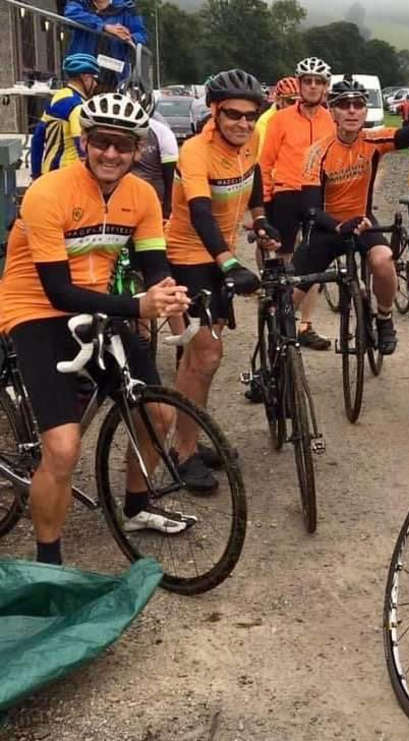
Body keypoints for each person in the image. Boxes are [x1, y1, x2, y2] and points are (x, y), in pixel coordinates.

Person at [0, 93, 192, 565]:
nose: (111, 154)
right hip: (35, 309)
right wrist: (135, 306)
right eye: (101, 142)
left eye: (122, 145)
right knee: (63, 449)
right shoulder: (48, 192)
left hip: (100, 308)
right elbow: (57, 291)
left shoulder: (142, 195)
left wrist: (174, 300)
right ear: (84, 142)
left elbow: (153, 266)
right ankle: (49, 563)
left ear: (137, 150)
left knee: (158, 414)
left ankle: (136, 505)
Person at [167, 69, 275, 490]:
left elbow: (256, 179)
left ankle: (188, 438)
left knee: (201, 359)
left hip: (218, 257)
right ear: (214, 111)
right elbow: (199, 213)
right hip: (187, 256)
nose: (244, 124)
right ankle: (182, 450)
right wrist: (230, 263)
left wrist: (261, 221)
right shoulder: (194, 151)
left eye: (252, 116)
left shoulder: (251, 141)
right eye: (233, 115)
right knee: (206, 355)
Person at [290, 76, 409, 355]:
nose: (351, 111)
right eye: (343, 105)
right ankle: (273, 358)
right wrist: (338, 226)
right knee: (289, 297)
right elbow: (309, 209)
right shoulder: (318, 152)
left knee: (383, 260)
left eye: (358, 105)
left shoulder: (373, 140)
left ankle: (384, 319)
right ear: (332, 111)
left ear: (365, 111)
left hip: (362, 221)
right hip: (327, 226)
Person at [259, 57, 336, 351]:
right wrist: (263, 207)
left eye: (318, 82)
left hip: (318, 195)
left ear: (325, 87)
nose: (313, 86)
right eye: (308, 81)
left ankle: (305, 325)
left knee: (314, 262)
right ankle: (281, 315)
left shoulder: (332, 119)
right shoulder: (280, 119)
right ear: (300, 84)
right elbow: (265, 163)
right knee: (286, 260)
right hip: (287, 192)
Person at [30, 53, 100, 179]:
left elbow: (37, 140)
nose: (95, 84)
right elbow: (83, 149)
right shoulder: (77, 107)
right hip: (70, 177)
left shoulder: (57, 97)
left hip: (49, 174)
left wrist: (36, 174)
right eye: (93, 78)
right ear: (84, 77)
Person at [64, 0, 147, 85]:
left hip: (114, 73)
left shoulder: (127, 8)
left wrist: (129, 37)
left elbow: (141, 35)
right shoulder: (79, 3)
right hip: (82, 68)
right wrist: (104, 26)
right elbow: (70, 13)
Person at [130, 87, 179, 220]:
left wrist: (167, 209)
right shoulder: (115, 132)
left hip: (155, 201)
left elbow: (171, 179)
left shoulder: (162, 132)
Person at [255, 77, 300, 154]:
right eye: (291, 101)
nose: (297, 105)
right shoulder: (265, 122)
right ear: (278, 100)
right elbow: (264, 156)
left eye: (300, 101)